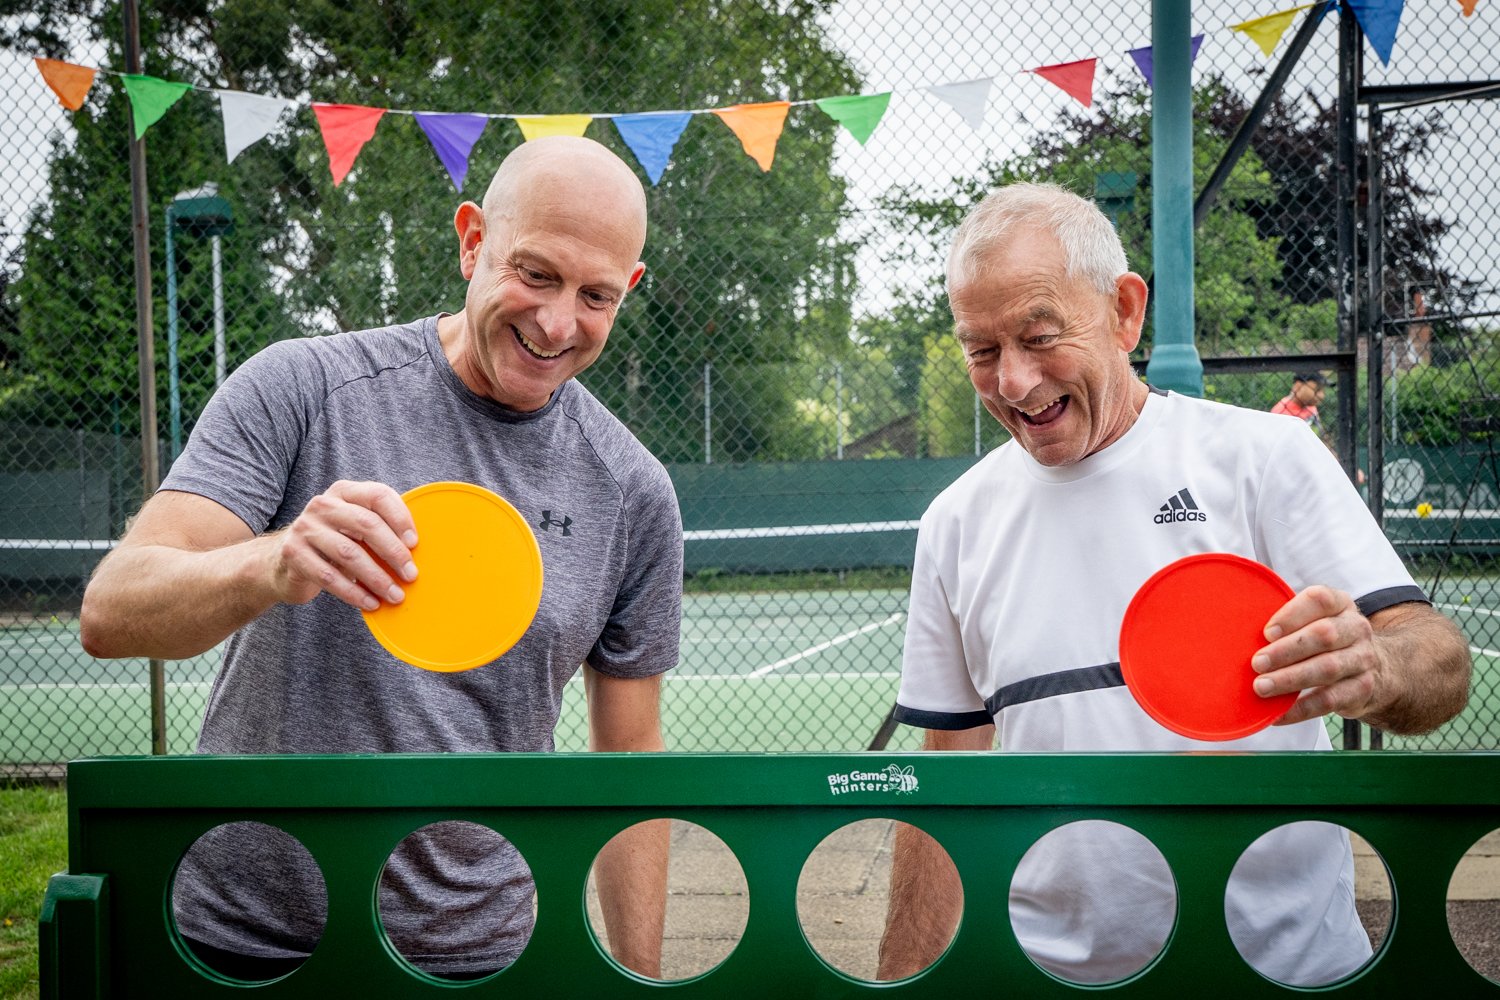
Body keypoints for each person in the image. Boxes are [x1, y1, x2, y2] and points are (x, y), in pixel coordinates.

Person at [79, 136, 682, 980]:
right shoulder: (299, 388)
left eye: (597, 296)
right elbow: (112, 613)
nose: (557, 323)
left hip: (477, 955)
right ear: (472, 241)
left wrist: (641, 985)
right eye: (536, 274)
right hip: (240, 940)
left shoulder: (632, 490)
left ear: (630, 290)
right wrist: (275, 563)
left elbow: (632, 761)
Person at [875, 182, 1470, 986]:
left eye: (1040, 336)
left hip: (1283, 974)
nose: (1012, 381)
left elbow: (1438, 661)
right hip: (1043, 978)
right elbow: (947, 774)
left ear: (1124, 311)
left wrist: (1378, 667)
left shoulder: (1264, 461)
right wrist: (901, 978)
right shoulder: (954, 522)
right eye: (982, 351)